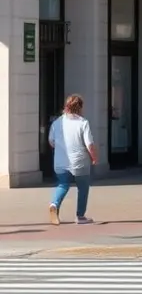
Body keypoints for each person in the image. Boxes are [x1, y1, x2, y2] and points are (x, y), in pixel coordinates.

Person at [48, 94, 98, 225]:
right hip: (79, 161)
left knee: (62, 184)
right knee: (83, 187)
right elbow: (89, 144)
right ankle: (80, 216)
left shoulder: (57, 122)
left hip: (60, 162)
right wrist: (94, 157)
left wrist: (61, 149)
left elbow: (51, 141)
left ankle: (54, 204)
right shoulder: (83, 123)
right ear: (80, 107)